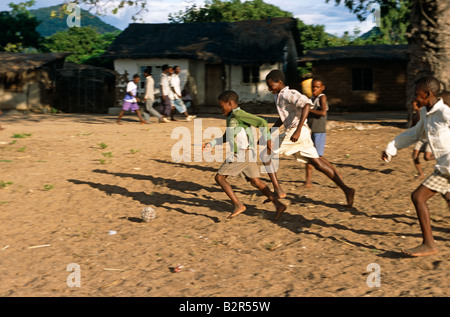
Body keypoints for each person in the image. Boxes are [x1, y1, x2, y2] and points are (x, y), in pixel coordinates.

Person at [265, 69, 355, 208]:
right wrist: (273, 129)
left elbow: (306, 105)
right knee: (318, 164)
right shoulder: (278, 96)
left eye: (271, 85)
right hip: (300, 133)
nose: (269, 88)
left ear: (280, 83)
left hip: (297, 132)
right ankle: (347, 189)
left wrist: (299, 129)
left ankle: (278, 190)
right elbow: (285, 116)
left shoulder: (290, 93)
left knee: (266, 154)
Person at [382, 76, 450, 257]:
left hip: (448, 166)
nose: (414, 96)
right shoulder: (425, 113)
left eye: (416, 93)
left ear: (427, 94)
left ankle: (429, 244)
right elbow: (415, 133)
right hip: (444, 167)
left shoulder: (444, 112)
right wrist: (392, 147)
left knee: (418, 197)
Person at [202, 90, 287, 221]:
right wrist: (212, 143)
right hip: (248, 154)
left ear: (230, 103)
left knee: (219, 178)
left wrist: (269, 142)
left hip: (241, 154)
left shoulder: (239, 114)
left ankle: (238, 205)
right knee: (256, 181)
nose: (220, 109)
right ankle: (279, 205)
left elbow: (262, 122)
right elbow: (227, 136)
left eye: (221, 106)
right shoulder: (231, 117)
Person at [304, 78, 329, 188]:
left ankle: (336, 174)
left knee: (318, 157)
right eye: (313, 87)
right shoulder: (311, 99)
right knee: (308, 156)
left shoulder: (322, 97)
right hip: (311, 130)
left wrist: (308, 110)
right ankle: (308, 182)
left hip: (319, 131)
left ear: (322, 88)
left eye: (317, 87)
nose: (315, 89)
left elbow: (323, 112)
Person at [411, 100, 434, 178]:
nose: (413, 107)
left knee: (427, 157)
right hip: (421, 138)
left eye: (414, 105)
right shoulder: (414, 116)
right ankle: (421, 174)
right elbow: (413, 127)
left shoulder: (427, 114)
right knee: (414, 155)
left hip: (430, 138)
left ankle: (441, 155)